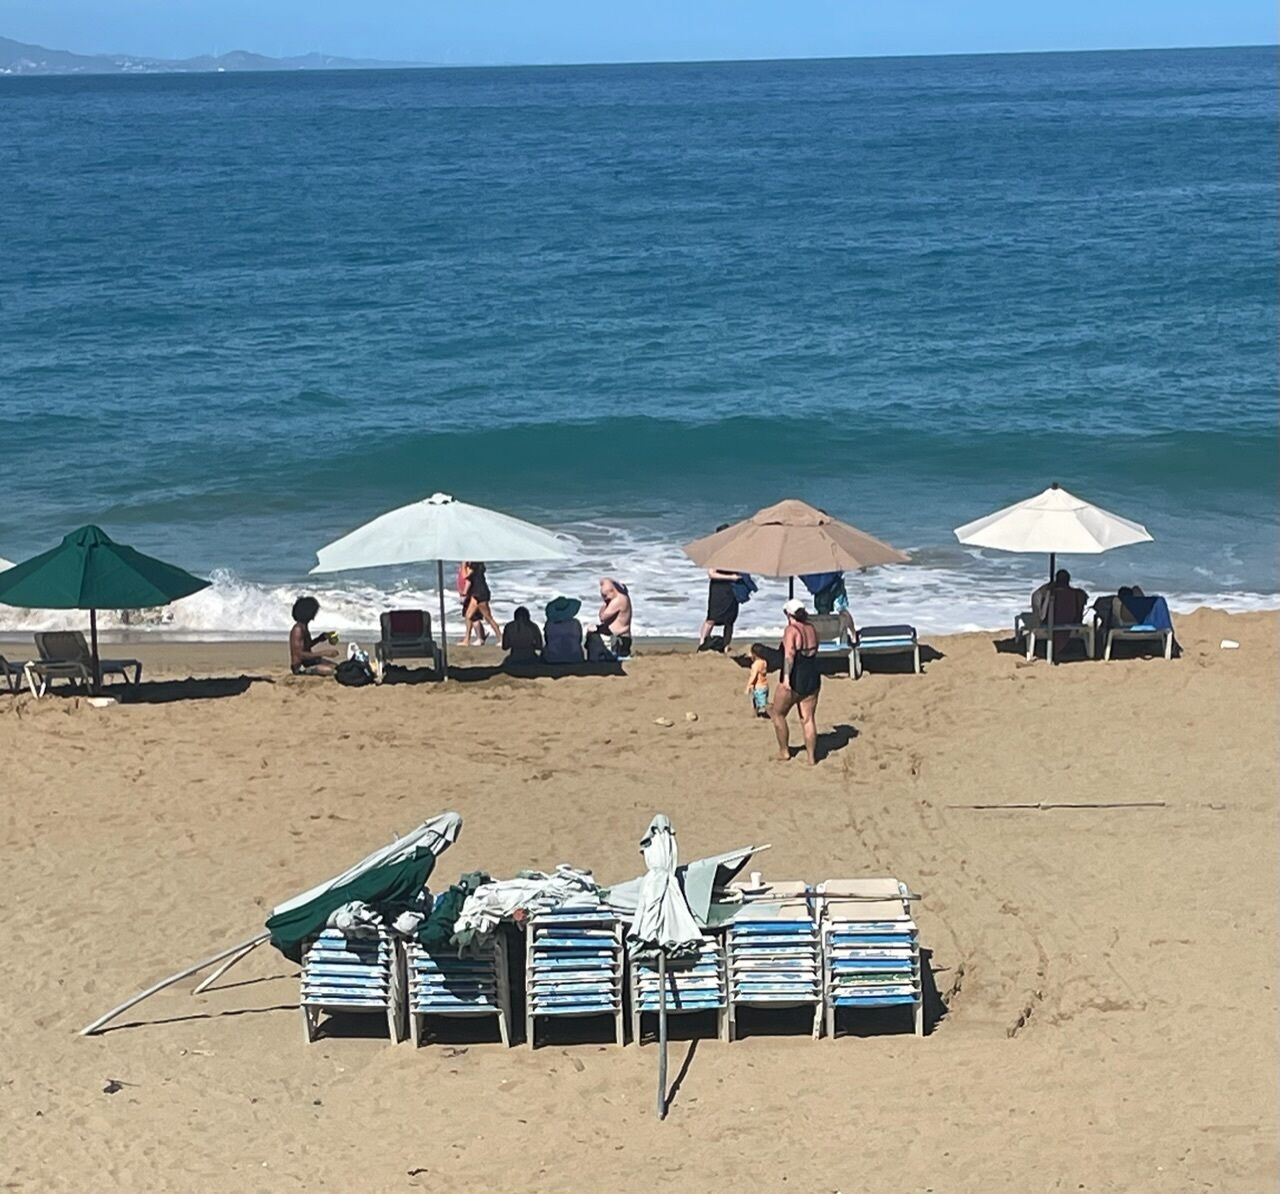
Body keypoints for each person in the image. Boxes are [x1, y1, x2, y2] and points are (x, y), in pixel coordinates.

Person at [770, 598, 821, 764]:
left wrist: (786, 678)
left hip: (796, 677)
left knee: (777, 713)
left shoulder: (791, 630)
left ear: (788, 614)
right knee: (808, 719)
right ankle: (811, 757)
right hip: (812, 676)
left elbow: (789, 656)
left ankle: (784, 751)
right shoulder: (812, 628)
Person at [289, 595, 339, 676]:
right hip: (300, 667)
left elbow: (306, 646)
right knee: (331, 671)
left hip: (309, 662)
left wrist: (320, 638)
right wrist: (324, 653)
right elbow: (300, 654)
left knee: (338, 667)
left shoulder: (304, 626)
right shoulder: (298, 629)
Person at [699, 566, 743, 653]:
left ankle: (726, 646)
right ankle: (702, 643)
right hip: (718, 589)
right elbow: (711, 574)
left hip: (732, 589)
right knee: (712, 618)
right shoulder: (719, 558)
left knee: (730, 619)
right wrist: (730, 577)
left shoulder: (736, 560)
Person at [461, 561, 501, 646]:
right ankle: (466, 640)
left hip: (480, 593)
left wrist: (463, 565)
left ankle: (501, 638)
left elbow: (465, 576)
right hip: (477, 593)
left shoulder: (473, 567)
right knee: (469, 615)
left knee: (488, 617)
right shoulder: (478, 568)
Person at [596, 577, 633, 657]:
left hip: (620, 637)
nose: (605, 598)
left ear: (612, 591)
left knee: (593, 634)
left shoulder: (618, 600)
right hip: (618, 636)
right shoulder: (622, 597)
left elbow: (603, 617)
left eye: (605, 596)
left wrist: (605, 605)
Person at [543, 596, 585, 663]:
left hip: (553, 658)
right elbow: (580, 640)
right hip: (574, 657)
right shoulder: (575, 623)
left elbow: (547, 640)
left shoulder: (549, 624)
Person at [745, 642, 770, 719]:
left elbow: (753, 676)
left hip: (758, 686)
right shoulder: (764, 662)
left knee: (760, 703)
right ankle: (758, 714)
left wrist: (748, 686)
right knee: (762, 701)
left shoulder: (756, 665)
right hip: (765, 685)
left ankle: (763, 715)